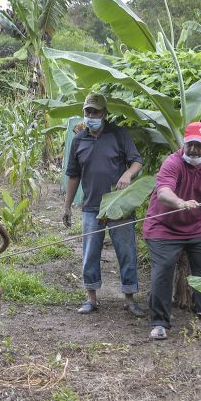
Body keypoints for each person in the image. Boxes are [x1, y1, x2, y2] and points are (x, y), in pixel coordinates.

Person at [143, 122, 201, 340]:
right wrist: (180, 203)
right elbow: (164, 192)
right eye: (190, 145)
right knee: (164, 269)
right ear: (183, 143)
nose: (194, 150)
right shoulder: (172, 162)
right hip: (162, 227)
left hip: (195, 227)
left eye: (199, 146)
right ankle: (159, 323)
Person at [63, 93, 146, 317]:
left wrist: (128, 174)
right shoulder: (79, 140)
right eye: (87, 112)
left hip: (119, 205)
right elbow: (73, 175)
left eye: (95, 112)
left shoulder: (119, 134)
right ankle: (91, 298)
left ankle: (129, 298)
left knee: (126, 251)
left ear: (104, 114)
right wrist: (67, 206)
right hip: (91, 205)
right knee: (90, 253)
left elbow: (136, 160)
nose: (91, 116)